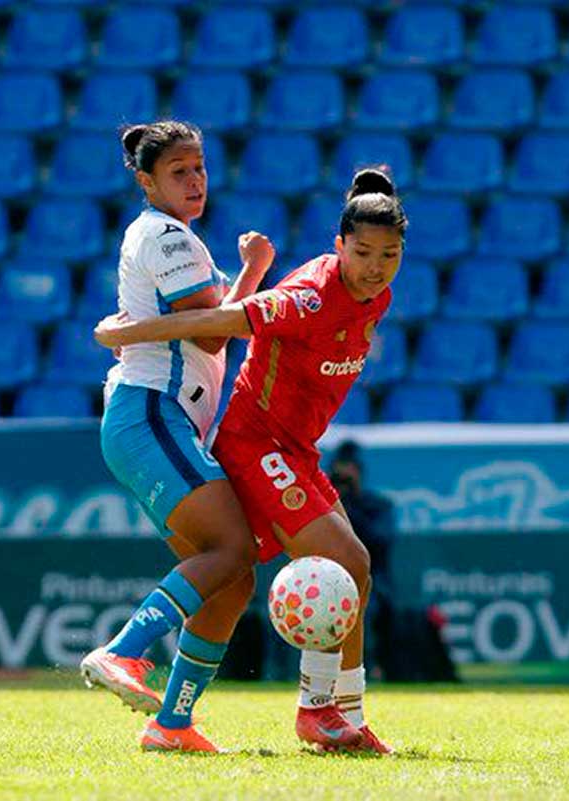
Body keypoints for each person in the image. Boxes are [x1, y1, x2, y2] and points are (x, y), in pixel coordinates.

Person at [95, 168, 407, 755]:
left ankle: (330, 715)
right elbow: (219, 322)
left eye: (388, 254)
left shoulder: (377, 295)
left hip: (295, 449)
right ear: (338, 246)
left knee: (353, 569)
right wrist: (133, 333)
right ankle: (318, 713)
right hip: (255, 443)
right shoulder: (310, 297)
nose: (375, 266)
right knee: (335, 558)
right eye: (362, 252)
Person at [79, 120, 272, 753]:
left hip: (155, 419)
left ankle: (172, 723)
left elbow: (209, 327)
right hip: (152, 411)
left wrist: (249, 272)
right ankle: (124, 652)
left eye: (199, 169)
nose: (194, 182)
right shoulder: (167, 235)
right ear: (146, 181)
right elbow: (216, 334)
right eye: (178, 172)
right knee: (230, 545)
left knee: (232, 573)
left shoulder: (174, 237)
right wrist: (249, 279)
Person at [327, 440, 395, 682]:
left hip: (371, 581)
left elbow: (379, 542)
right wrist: (333, 498)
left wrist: (347, 505)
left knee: (365, 606)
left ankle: (363, 670)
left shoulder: (378, 506)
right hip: (326, 581)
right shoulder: (320, 504)